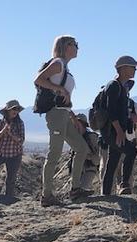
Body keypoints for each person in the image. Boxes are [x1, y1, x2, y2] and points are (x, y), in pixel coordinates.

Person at [35, 35, 91, 207]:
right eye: (75, 44)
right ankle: (47, 196)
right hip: (56, 115)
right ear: (66, 46)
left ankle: (75, 189)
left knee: (82, 148)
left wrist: (73, 117)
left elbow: (64, 97)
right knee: (55, 153)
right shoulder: (58, 63)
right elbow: (38, 79)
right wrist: (59, 89)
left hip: (64, 114)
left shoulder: (64, 66)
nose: (77, 48)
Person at [101, 56, 137, 196]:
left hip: (114, 131)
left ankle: (106, 193)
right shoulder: (114, 86)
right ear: (123, 68)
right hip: (112, 131)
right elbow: (111, 110)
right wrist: (119, 131)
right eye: (133, 67)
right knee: (131, 151)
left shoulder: (120, 87)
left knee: (113, 161)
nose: (135, 70)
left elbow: (119, 111)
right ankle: (124, 185)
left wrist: (130, 117)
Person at [68, 114, 100, 192]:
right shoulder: (75, 138)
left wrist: (87, 156)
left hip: (89, 169)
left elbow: (97, 160)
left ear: (84, 125)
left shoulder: (92, 138)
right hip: (77, 172)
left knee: (82, 190)